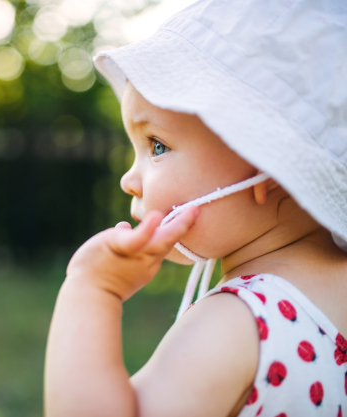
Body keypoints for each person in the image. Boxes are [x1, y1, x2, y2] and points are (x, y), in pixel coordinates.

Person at [44, 0, 347, 416]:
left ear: (267, 164)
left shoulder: (239, 323)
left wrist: (91, 289)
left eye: (157, 146)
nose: (128, 180)